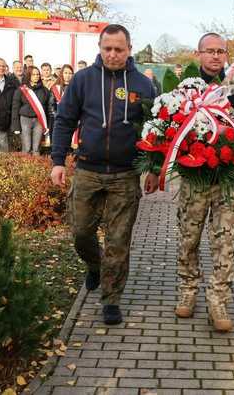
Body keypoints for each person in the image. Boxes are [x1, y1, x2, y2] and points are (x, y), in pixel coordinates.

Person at [145, 32, 234, 333]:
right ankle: (188, 291)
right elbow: (166, 132)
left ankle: (218, 302)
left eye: (221, 51)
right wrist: (157, 169)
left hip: (227, 183)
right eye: (210, 51)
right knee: (188, 240)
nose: (216, 56)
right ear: (198, 54)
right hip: (194, 182)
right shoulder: (183, 92)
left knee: (225, 243)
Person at [50, 24, 156, 326]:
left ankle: (111, 299)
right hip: (87, 171)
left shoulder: (143, 85)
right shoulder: (83, 80)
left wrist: (153, 168)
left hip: (125, 175)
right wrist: (58, 161)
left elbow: (155, 130)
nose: (112, 54)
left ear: (129, 49)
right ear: (100, 47)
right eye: (107, 48)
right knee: (81, 232)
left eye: (118, 49)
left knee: (118, 241)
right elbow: (65, 120)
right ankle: (94, 266)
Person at [11, 66, 52, 155]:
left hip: (39, 121)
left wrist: (48, 124)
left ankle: (36, 167)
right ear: (29, 75)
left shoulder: (45, 91)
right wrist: (16, 126)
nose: (36, 76)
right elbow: (15, 108)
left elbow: (47, 108)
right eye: (33, 74)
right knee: (27, 147)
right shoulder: (21, 89)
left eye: (38, 74)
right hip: (25, 120)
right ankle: (25, 167)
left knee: (36, 148)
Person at [50, 64, 74, 132]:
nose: (68, 75)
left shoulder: (76, 88)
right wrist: (57, 116)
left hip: (72, 120)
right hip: (58, 120)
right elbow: (51, 106)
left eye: (70, 73)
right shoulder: (55, 88)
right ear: (62, 74)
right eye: (65, 73)